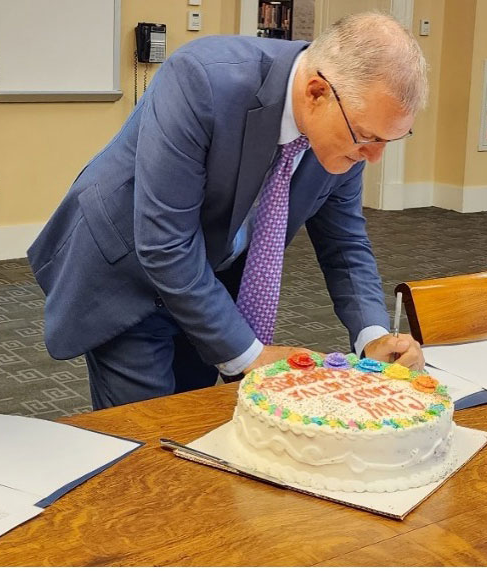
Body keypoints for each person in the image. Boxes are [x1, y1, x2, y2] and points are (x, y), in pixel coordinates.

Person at [27, 12, 427, 410]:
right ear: (317, 92)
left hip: (211, 280)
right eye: (369, 137)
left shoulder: (347, 137)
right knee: (145, 431)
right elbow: (165, 244)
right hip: (129, 271)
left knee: (199, 415)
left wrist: (372, 335)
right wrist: (252, 356)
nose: (373, 157)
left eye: (390, 139)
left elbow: (345, 246)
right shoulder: (201, 79)